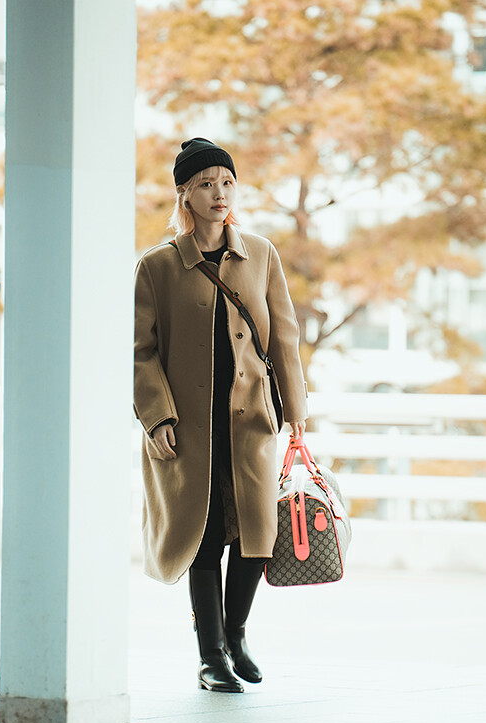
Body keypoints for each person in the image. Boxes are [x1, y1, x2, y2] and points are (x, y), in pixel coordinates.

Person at [133, 137, 307, 692]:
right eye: (206, 184)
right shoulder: (156, 266)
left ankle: (235, 635)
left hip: (250, 420)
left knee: (257, 532)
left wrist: (296, 411)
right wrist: (156, 416)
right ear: (184, 193)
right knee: (202, 536)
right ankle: (211, 656)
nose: (219, 193)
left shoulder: (262, 255)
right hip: (188, 427)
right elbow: (139, 350)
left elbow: (283, 335)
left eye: (227, 182)